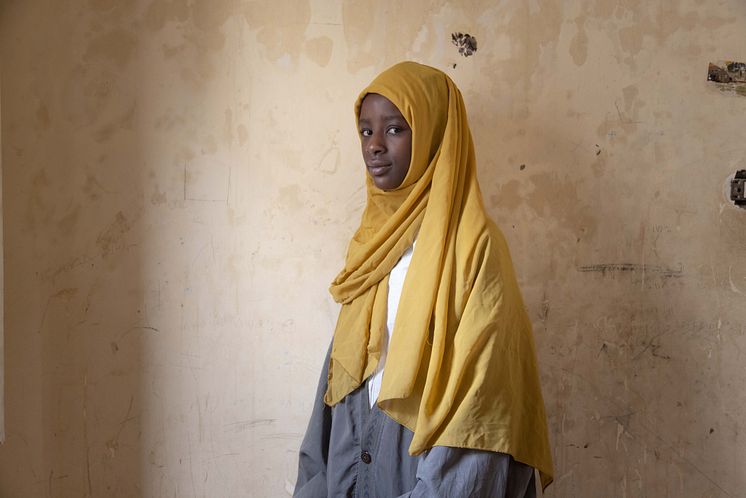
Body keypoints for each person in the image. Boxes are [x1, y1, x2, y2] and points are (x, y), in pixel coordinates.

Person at [294, 61, 553, 498]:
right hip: (350, 468)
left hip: (424, 470)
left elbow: (481, 406)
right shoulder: (372, 247)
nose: (374, 145)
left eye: (395, 129)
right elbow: (336, 387)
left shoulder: (474, 249)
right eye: (365, 131)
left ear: (434, 136)